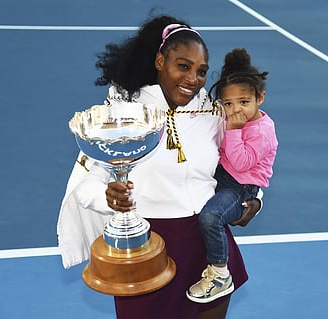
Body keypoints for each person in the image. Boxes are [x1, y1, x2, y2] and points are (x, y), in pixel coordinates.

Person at [57, 15, 262, 319]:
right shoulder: (122, 114)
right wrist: (109, 198)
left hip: (209, 251)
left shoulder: (214, 112)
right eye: (183, 66)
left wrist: (255, 200)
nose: (193, 79)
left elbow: (249, 159)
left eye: (201, 71)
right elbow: (85, 184)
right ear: (159, 60)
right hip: (147, 252)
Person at [186, 48, 278, 303]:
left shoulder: (262, 131)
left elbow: (241, 162)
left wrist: (234, 130)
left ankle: (219, 273)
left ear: (260, 98)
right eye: (228, 103)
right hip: (223, 174)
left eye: (244, 102)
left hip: (240, 187)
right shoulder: (231, 118)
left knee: (210, 216)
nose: (236, 109)